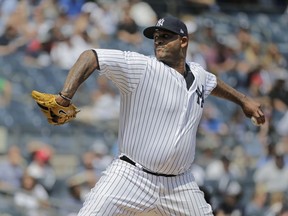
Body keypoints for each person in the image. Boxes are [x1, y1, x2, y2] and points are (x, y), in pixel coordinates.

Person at [39, 16, 265, 215]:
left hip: (180, 184)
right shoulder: (142, 67)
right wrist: (65, 96)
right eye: (156, 36)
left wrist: (243, 100)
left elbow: (214, 83)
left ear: (183, 41)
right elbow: (91, 56)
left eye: (166, 36)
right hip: (131, 176)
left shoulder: (198, 74)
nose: (158, 40)